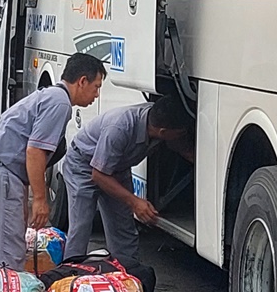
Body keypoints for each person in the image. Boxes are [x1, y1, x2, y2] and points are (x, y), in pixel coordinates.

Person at [0, 53, 106, 266]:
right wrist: (40, 200)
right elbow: (34, 152)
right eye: (96, 86)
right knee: (7, 258)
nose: (96, 94)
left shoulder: (51, 95)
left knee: (3, 252)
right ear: (82, 81)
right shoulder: (60, 103)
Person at [62, 96, 195, 280]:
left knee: (123, 229)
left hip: (117, 169)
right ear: (163, 132)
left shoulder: (155, 119)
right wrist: (135, 202)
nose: (182, 136)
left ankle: (127, 281)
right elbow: (98, 175)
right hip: (83, 166)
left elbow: (175, 143)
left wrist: (191, 155)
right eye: (180, 133)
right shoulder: (119, 128)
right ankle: (68, 280)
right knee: (81, 225)